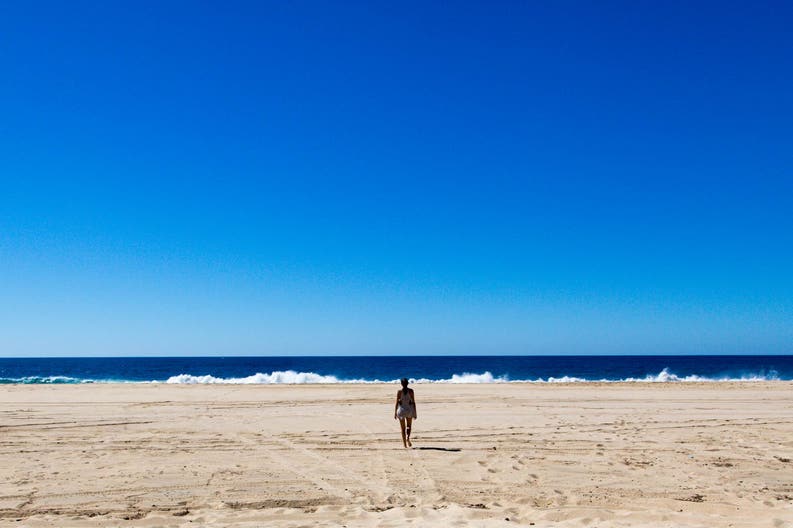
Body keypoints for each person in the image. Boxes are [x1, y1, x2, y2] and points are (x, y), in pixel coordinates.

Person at [394, 377, 417, 448]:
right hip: (409, 410)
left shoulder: (399, 392)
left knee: (402, 429)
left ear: (401, 384)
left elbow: (397, 403)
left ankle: (404, 445)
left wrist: (395, 412)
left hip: (401, 411)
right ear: (408, 383)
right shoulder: (411, 391)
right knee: (409, 426)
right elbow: (413, 402)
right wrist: (415, 412)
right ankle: (408, 438)